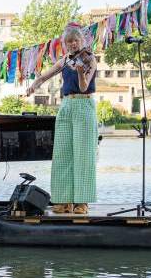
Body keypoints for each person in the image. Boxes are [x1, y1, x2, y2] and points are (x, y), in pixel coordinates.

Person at [26, 22, 98, 215]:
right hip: (66, 106)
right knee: (62, 154)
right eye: (69, 41)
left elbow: (84, 87)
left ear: (82, 41)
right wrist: (34, 84)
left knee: (83, 156)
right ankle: (64, 201)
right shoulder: (65, 60)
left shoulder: (90, 59)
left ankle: (82, 202)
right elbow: (44, 77)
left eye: (76, 40)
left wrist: (81, 73)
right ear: (65, 44)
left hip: (83, 105)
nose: (73, 44)